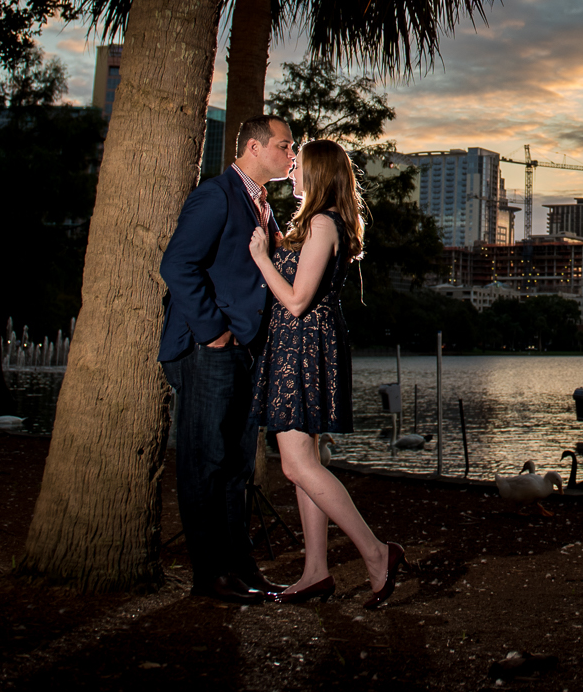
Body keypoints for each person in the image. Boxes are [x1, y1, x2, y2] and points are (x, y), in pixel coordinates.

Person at [248, 138, 405, 608]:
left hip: (302, 344)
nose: (291, 172)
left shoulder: (321, 223)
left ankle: (377, 554)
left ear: (317, 174)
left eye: (297, 167)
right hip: (305, 344)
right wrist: (274, 244)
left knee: (297, 464)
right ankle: (316, 571)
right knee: (305, 464)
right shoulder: (320, 223)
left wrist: (260, 258)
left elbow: (295, 301)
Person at [158, 114, 296, 602]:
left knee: (237, 464)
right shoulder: (216, 195)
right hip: (207, 352)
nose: (291, 154)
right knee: (206, 462)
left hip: (246, 350)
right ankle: (210, 576)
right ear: (254, 147)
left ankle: (242, 569)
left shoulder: (261, 203)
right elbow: (176, 264)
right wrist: (213, 332)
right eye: (284, 145)